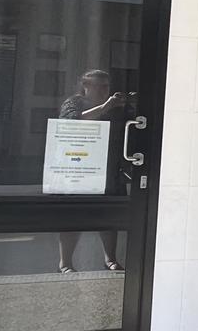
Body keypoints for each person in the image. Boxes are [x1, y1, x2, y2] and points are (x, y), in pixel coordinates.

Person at [56, 70, 126, 273]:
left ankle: (110, 259)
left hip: (109, 166)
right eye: (97, 85)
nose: (103, 90)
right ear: (85, 86)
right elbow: (70, 122)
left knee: (109, 215)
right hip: (79, 166)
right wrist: (105, 107)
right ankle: (65, 263)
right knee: (73, 217)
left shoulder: (116, 106)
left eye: (105, 85)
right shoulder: (74, 102)